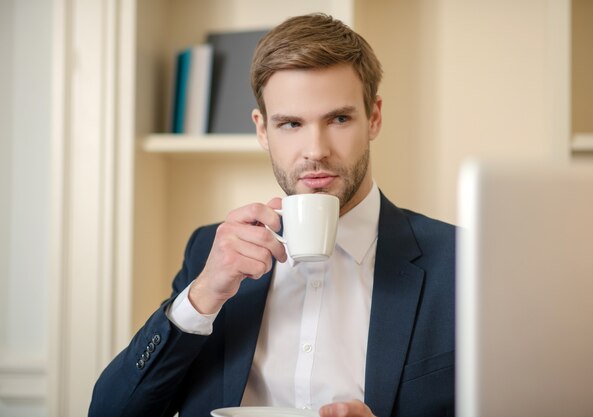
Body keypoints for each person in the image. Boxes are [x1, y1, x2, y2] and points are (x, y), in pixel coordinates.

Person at [89, 13, 455, 417]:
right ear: (262, 130)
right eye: (291, 124)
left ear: (374, 117)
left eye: (338, 119)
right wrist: (201, 297)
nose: (315, 149)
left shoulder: (459, 261)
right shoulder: (209, 254)